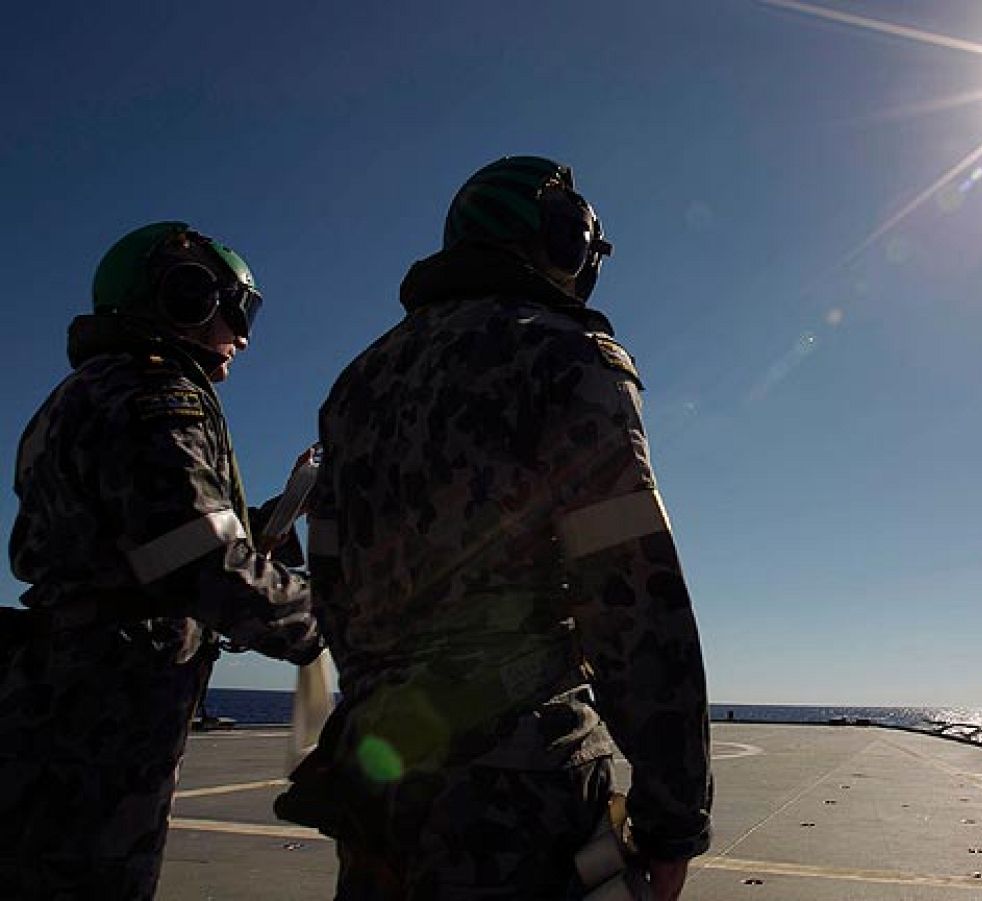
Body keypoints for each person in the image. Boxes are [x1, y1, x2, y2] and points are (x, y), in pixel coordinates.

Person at [290, 156, 712, 899]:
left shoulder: (356, 386)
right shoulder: (565, 354)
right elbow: (632, 593)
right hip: (516, 786)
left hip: (379, 772)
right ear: (562, 240)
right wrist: (675, 816)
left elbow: (331, 584)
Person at [0, 222, 324, 898]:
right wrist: (321, 619)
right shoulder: (153, 396)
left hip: (68, 692)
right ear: (183, 298)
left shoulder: (92, 392)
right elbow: (200, 560)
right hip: (105, 711)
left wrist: (277, 519)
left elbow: (153, 541)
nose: (243, 331)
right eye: (236, 307)